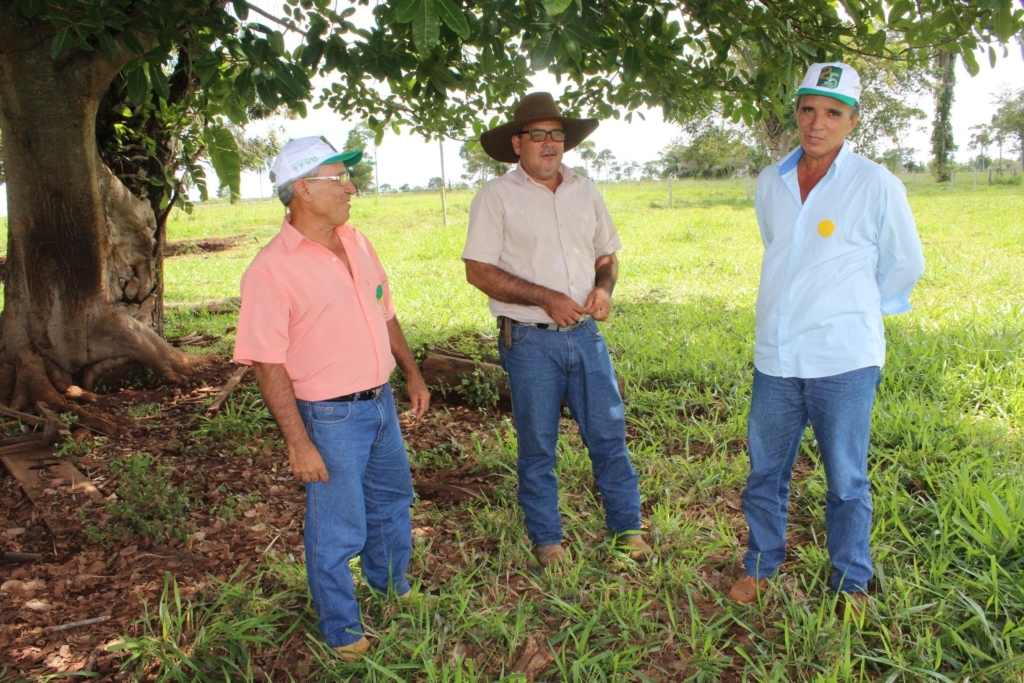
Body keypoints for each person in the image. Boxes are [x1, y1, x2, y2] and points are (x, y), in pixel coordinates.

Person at [728, 63, 925, 608]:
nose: (818, 123)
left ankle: (851, 582)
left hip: (843, 359)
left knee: (846, 479)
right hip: (777, 355)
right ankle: (760, 566)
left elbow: (905, 263)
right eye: (809, 110)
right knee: (765, 470)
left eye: (833, 113)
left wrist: (856, 310)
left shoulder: (876, 184)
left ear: (852, 120)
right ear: (796, 112)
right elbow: (779, 247)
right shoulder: (771, 182)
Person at [232, 135, 430, 660]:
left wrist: (411, 374)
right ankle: (342, 628)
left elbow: (385, 312)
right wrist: (298, 442)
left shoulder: (358, 242)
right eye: (337, 178)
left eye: (348, 176)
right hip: (332, 415)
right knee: (337, 525)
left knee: (392, 502)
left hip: (381, 401)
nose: (351, 188)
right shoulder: (270, 270)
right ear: (301, 189)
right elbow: (265, 361)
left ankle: (391, 585)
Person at [462, 92, 651, 568]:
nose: (549, 144)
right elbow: (478, 270)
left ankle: (627, 529)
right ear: (517, 143)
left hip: (586, 337)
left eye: (557, 136)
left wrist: (604, 290)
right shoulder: (496, 196)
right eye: (538, 135)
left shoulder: (584, 190)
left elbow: (606, 255)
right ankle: (548, 540)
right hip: (529, 340)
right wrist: (547, 298)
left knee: (608, 435)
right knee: (538, 445)